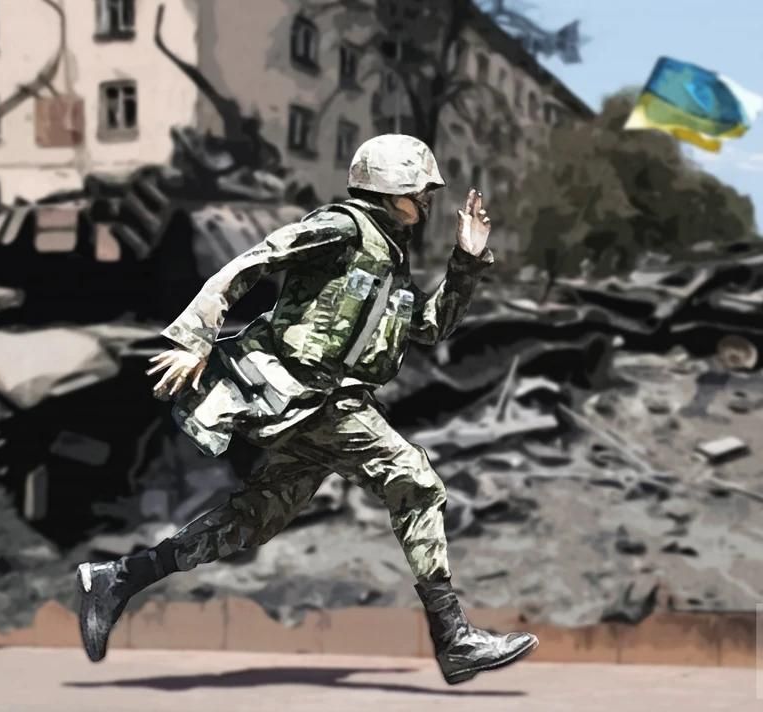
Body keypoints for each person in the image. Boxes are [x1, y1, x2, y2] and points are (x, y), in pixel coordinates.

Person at [76, 134, 538, 685]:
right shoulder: (342, 228)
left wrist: (466, 261)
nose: (428, 200)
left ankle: (118, 578)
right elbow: (252, 262)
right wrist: (194, 338)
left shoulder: (390, 256)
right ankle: (454, 638)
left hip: (316, 407)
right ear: (391, 189)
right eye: (421, 189)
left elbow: (430, 326)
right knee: (414, 482)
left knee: (252, 520)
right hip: (311, 394)